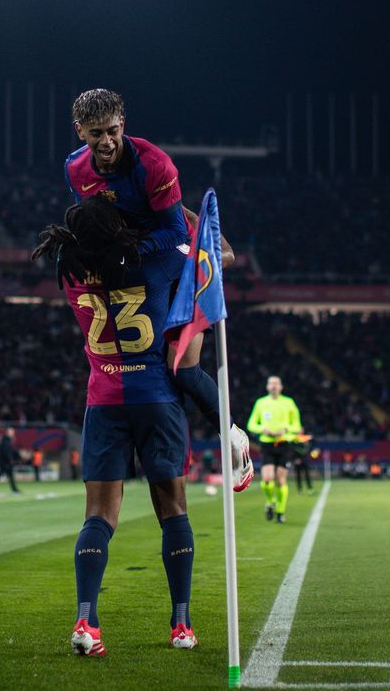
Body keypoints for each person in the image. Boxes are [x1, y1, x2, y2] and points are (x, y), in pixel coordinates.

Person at [32, 194, 200, 656]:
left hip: (104, 399)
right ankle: (181, 624)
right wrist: (174, 212)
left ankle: (87, 619)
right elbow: (210, 251)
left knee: (99, 516)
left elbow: (84, 244)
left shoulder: (69, 272)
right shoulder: (160, 263)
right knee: (173, 510)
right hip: (156, 398)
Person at [64, 88, 251, 485]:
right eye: (96, 133)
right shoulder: (75, 170)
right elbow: (94, 222)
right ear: (80, 131)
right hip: (142, 261)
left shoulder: (155, 164)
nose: (107, 141)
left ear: (123, 125)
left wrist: (132, 253)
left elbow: (171, 228)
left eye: (113, 130)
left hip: (175, 248)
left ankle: (232, 435)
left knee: (181, 367)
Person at [247, 376, 303, 524]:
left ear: (281, 387)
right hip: (267, 445)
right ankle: (270, 502)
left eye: (276, 383)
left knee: (281, 478)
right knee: (267, 479)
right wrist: (262, 429)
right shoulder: (261, 403)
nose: (273, 386)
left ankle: (280, 511)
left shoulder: (289, 403)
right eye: (271, 383)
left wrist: (285, 429)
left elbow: (297, 425)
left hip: (284, 444)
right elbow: (251, 424)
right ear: (267, 387)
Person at [0, 427, 21, 494]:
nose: (13, 433)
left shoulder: (7, 440)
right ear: (8, 433)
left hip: (5, 462)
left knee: (6, 476)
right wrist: (10, 459)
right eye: (12, 432)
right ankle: (14, 489)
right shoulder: (5, 441)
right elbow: (6, 452)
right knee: (3, 475)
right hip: (5, 462)